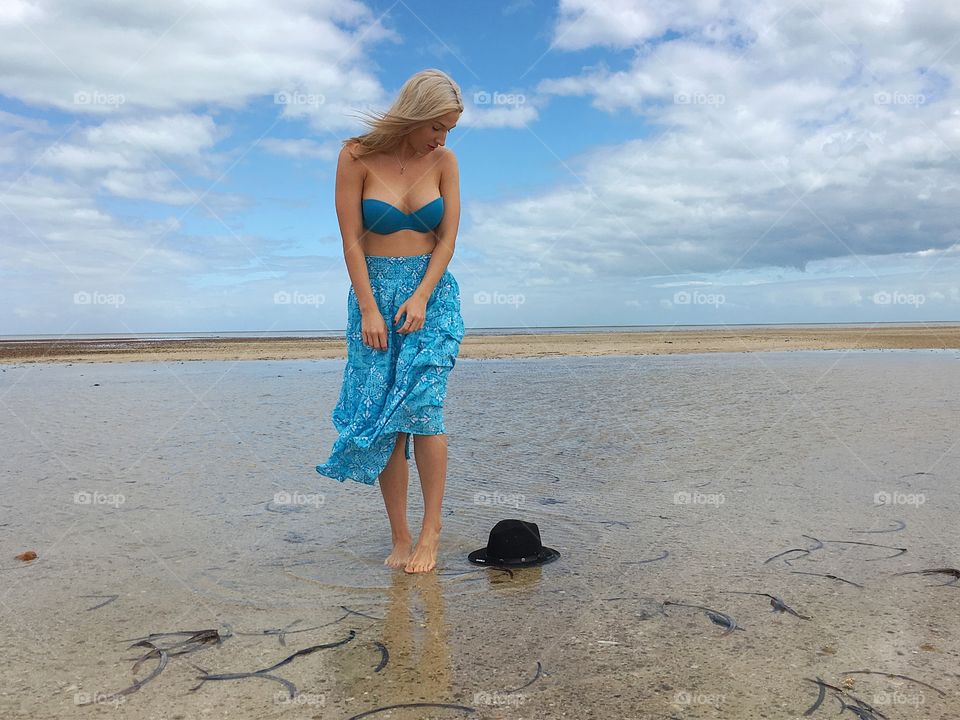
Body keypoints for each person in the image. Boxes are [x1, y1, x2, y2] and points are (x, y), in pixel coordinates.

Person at [316, 69, 465, 574]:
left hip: (432, 294)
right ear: (415, 115)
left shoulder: (445, 162)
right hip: (373, 293)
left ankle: (431, 533)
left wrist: (423, 295)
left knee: (425, 408)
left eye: (448, 130)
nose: (441, 138)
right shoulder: (355, 156)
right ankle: (400, 536)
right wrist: (369, 309)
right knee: (387, 421)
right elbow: (351, 240)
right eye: (436, 127)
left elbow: (446, 239)